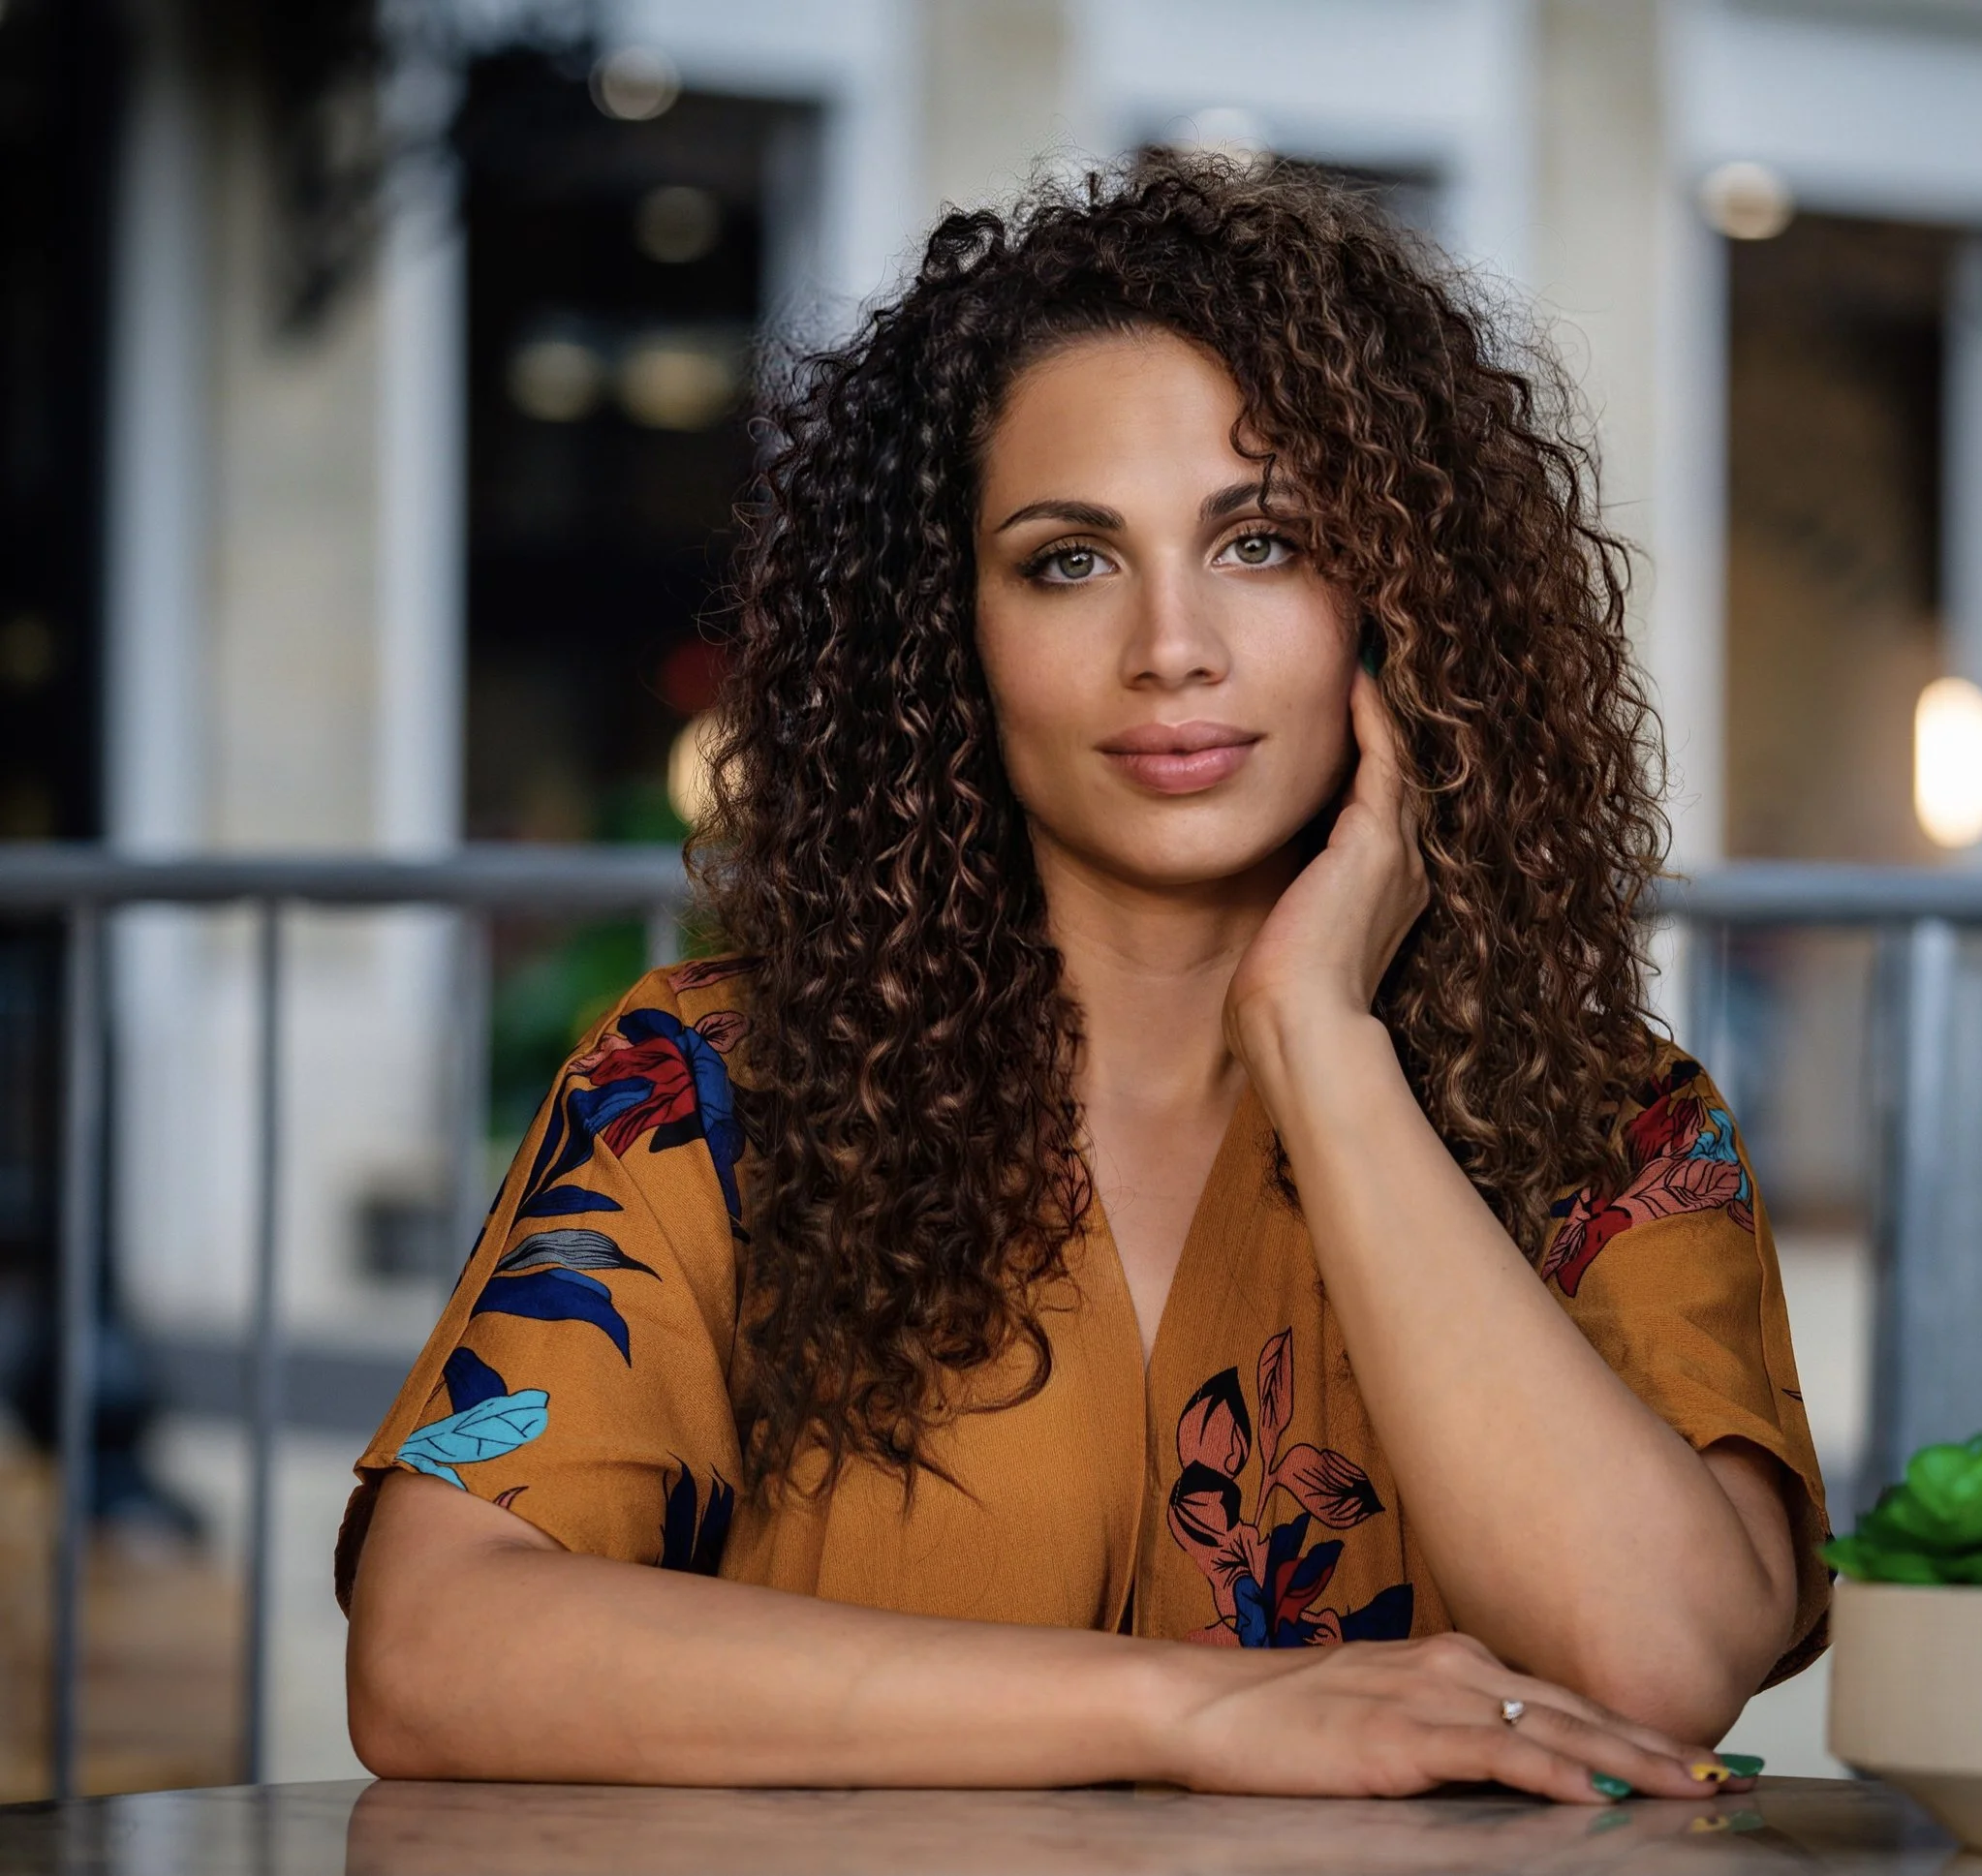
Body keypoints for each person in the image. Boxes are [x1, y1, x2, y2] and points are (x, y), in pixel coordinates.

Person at [340, 154, 1828, 1802]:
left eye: (1262, 541)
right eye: (1069, 559)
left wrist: (1321, 1042)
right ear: (944, 631)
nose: (1169, 645)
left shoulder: (1604, 1126)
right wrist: (1182, 1713)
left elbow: (1664, 1663)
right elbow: (431, 1648)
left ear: (1400, 609)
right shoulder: (708, 1091)